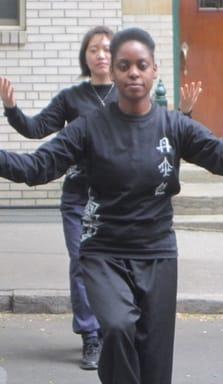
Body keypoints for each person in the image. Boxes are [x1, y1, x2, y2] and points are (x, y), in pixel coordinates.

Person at [0, 27, 223, 384]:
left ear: (154, 70)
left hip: (157, 252)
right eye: (124, 66)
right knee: (117, 328)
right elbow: (36, 168)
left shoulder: (175, 126)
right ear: (113, 73)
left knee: (154, 354)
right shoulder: (89, 128)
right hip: (104, 252)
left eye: (141, 65)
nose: (133, 72)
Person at [0, 26, 202, 370]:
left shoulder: (130, 96)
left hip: (132, 213)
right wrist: (12, 110)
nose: (102, 56)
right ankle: (91, 336)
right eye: (94, 50)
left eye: (108, 50)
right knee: (87, 272)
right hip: (83, 202)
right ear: (89, 57)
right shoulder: (74, 100)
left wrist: (184, 117)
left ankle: (121, 340)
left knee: (142, 328)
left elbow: (162, 142)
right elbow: (37, 141)